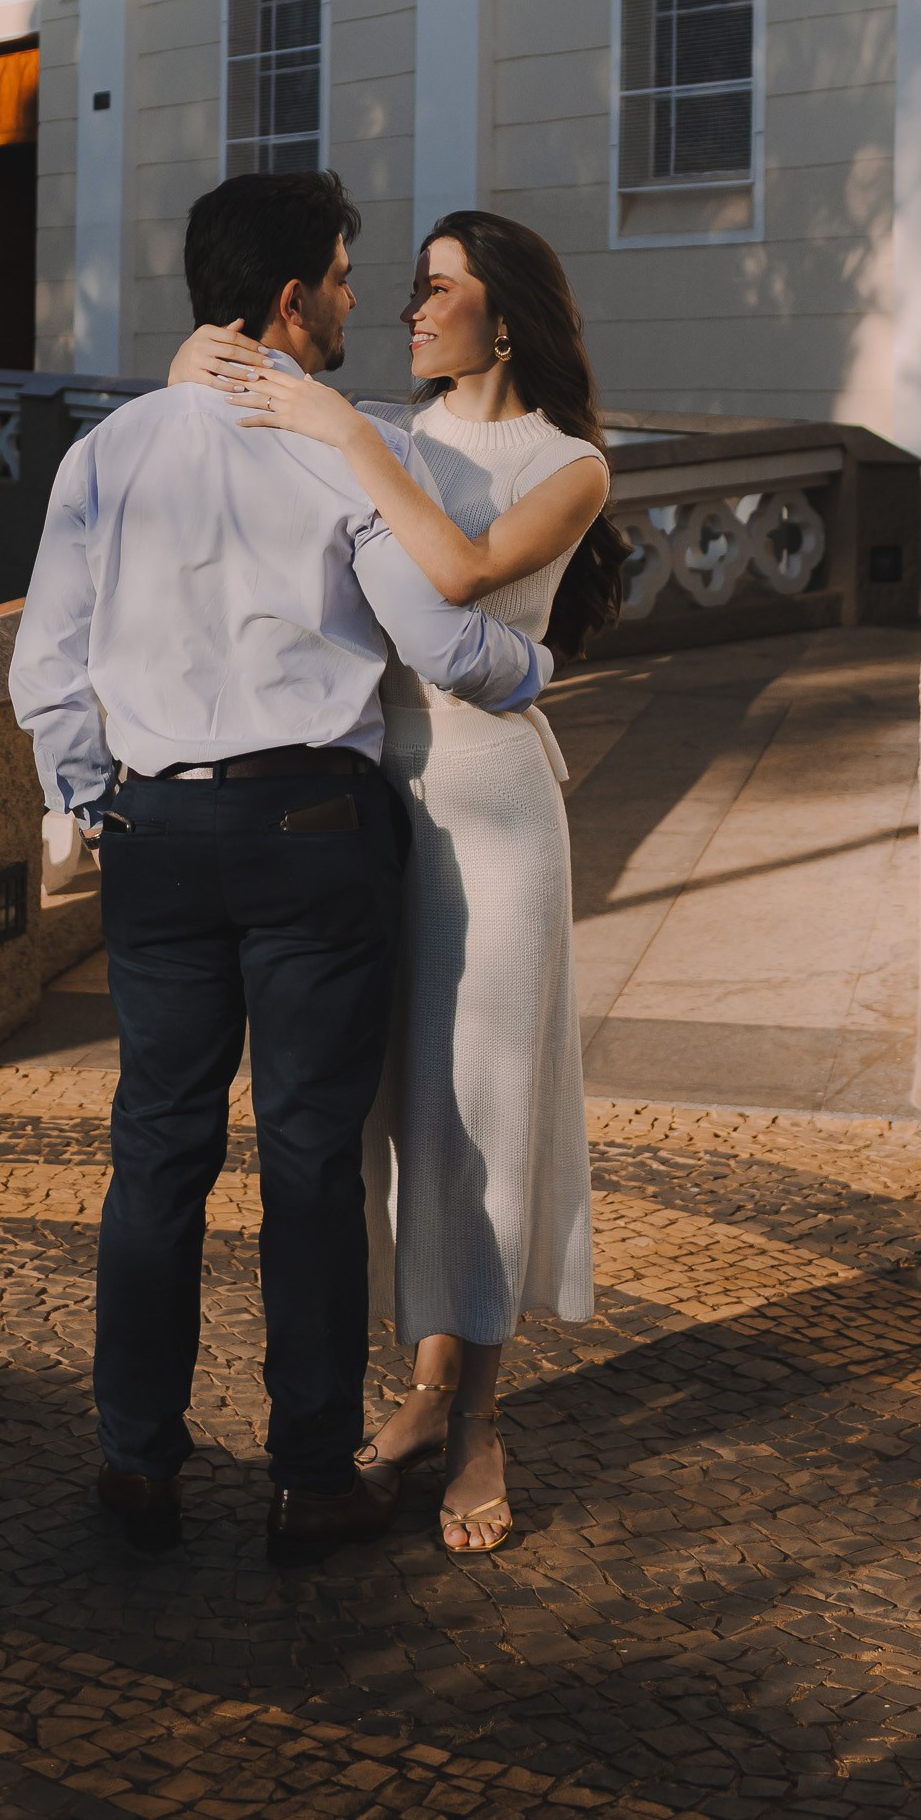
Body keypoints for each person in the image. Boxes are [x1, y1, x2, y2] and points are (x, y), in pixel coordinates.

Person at [8, 172, 553, 1567]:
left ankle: (136, 1453)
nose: (367, 300)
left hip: (156, 836)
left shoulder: (108, 453)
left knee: (157, 1151)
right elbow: (441, 641)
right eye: (351, 275)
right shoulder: (348, 449)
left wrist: (93, 803)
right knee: (309, 1162)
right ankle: (312, 1477)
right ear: (294, 298)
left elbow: (48, 671)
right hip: (313, 833)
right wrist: (537, 667)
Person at [170, 210, 621, 1554]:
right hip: (366, 806)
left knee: (479, 1107)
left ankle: (476, 1414)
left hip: (492, 816)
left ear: (506, 316)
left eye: (437, 291)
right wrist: (216, 363)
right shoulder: (367, 420)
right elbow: (214, 395)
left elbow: (468, 573)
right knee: (377, 1109)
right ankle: (421, 1392)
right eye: (409, 290)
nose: (412, 312)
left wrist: (350, 435)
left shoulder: (571, 464)